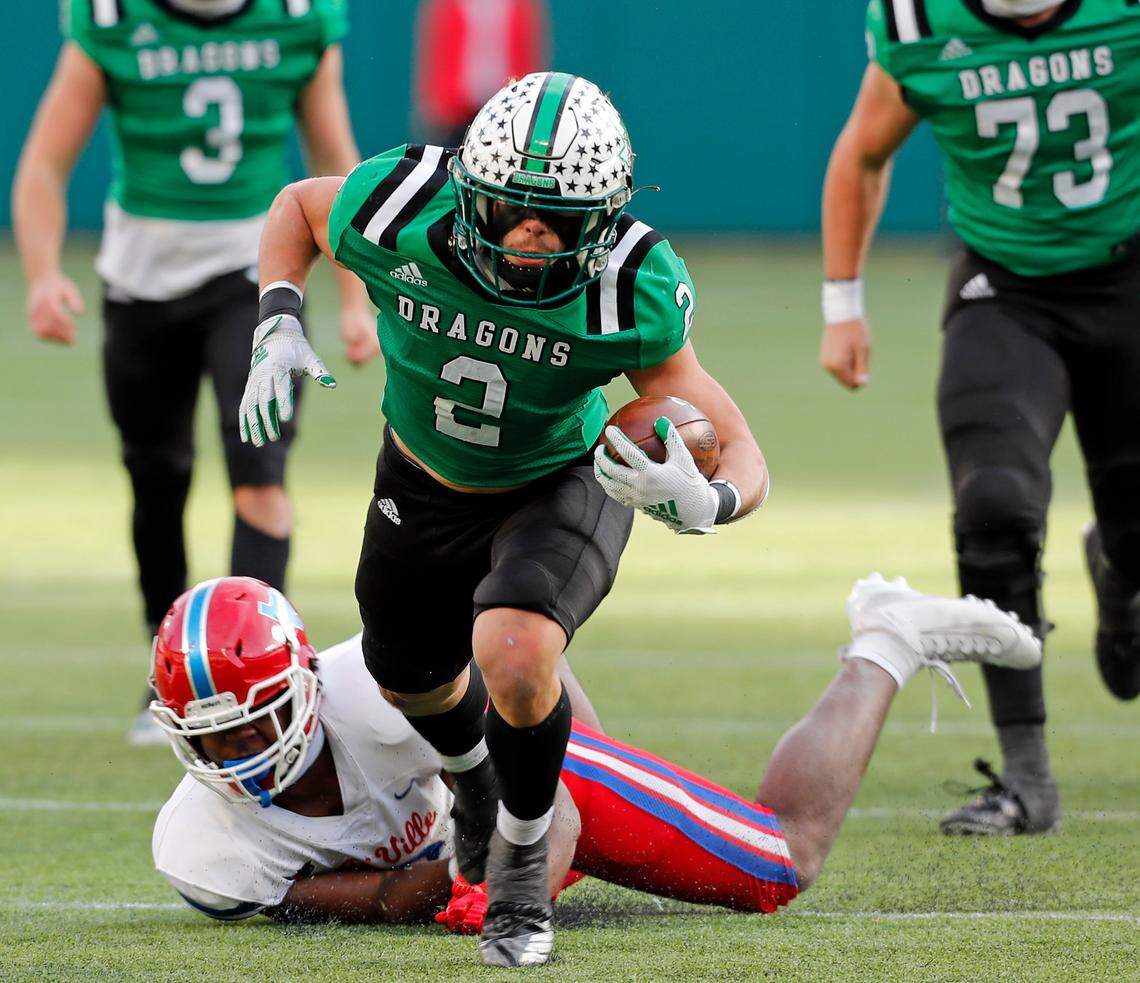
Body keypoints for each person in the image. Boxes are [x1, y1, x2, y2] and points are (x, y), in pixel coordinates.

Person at [238, 72, 770, 965]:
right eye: (513, 211)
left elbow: (739, 443)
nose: (533, 236)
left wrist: (707, 498)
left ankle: (522, 863)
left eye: (560, 218)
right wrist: (277, 318)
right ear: (466, 190)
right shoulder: (400, 203)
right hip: (421, 472)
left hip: (558, 476)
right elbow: (297, 208)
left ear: (602, 217)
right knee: (405, 670)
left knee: (516, 651)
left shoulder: (627, 284)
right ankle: (473, 785)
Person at [148, 575, 1040, 951]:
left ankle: (886, 633)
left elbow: (555, 813)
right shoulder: (203, 848)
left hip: (504, 693)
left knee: (780, 859)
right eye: (211, 738)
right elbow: (363, 900)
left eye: (252, 724)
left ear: (303, 688)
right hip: (474, 785)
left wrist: (491, 895)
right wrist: (441, 892)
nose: (238, 755)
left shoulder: (391, 690)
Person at [12, 0, 378, 744]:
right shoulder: (111, 18)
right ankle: (167, 663)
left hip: (257, 270)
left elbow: (333, 162)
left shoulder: (295, 17)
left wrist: (354, 293)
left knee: (260, 475)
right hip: (140, 278)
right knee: (157, 475)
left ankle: (264, 678)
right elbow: (44, 166)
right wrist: (44, 273)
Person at [818, 0, 1140, 835]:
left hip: (1131, 271)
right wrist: (842, 302)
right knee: (994, 506)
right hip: (1006, 287)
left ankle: (1121, 568)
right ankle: (1028, 777)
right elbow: (863, 152)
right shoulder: (919, 23)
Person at [412, 0, 550, 148]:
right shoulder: (448, 5)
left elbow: (529, 52)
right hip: (458, 114)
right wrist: (436, 103)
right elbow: (436, 52)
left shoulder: (521, 6)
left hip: (506, 108)